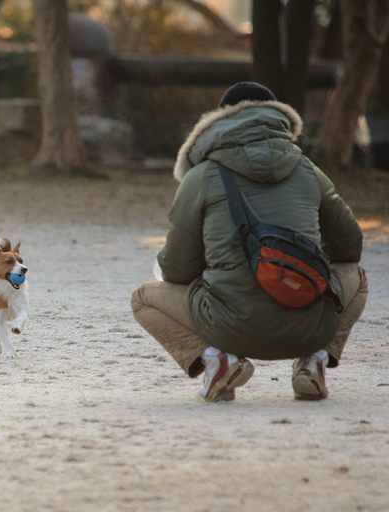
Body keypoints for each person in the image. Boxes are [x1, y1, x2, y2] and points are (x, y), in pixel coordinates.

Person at [130, 81, 368, 402]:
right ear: (280, 121)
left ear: (218, 121)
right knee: (357, 275)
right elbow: (350, 246)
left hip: (229, 326)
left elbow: (177, 270)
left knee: (144, 298)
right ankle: (314, 362)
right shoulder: (309, 171)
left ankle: (218, 360)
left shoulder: (201, 176)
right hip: (312, 323)